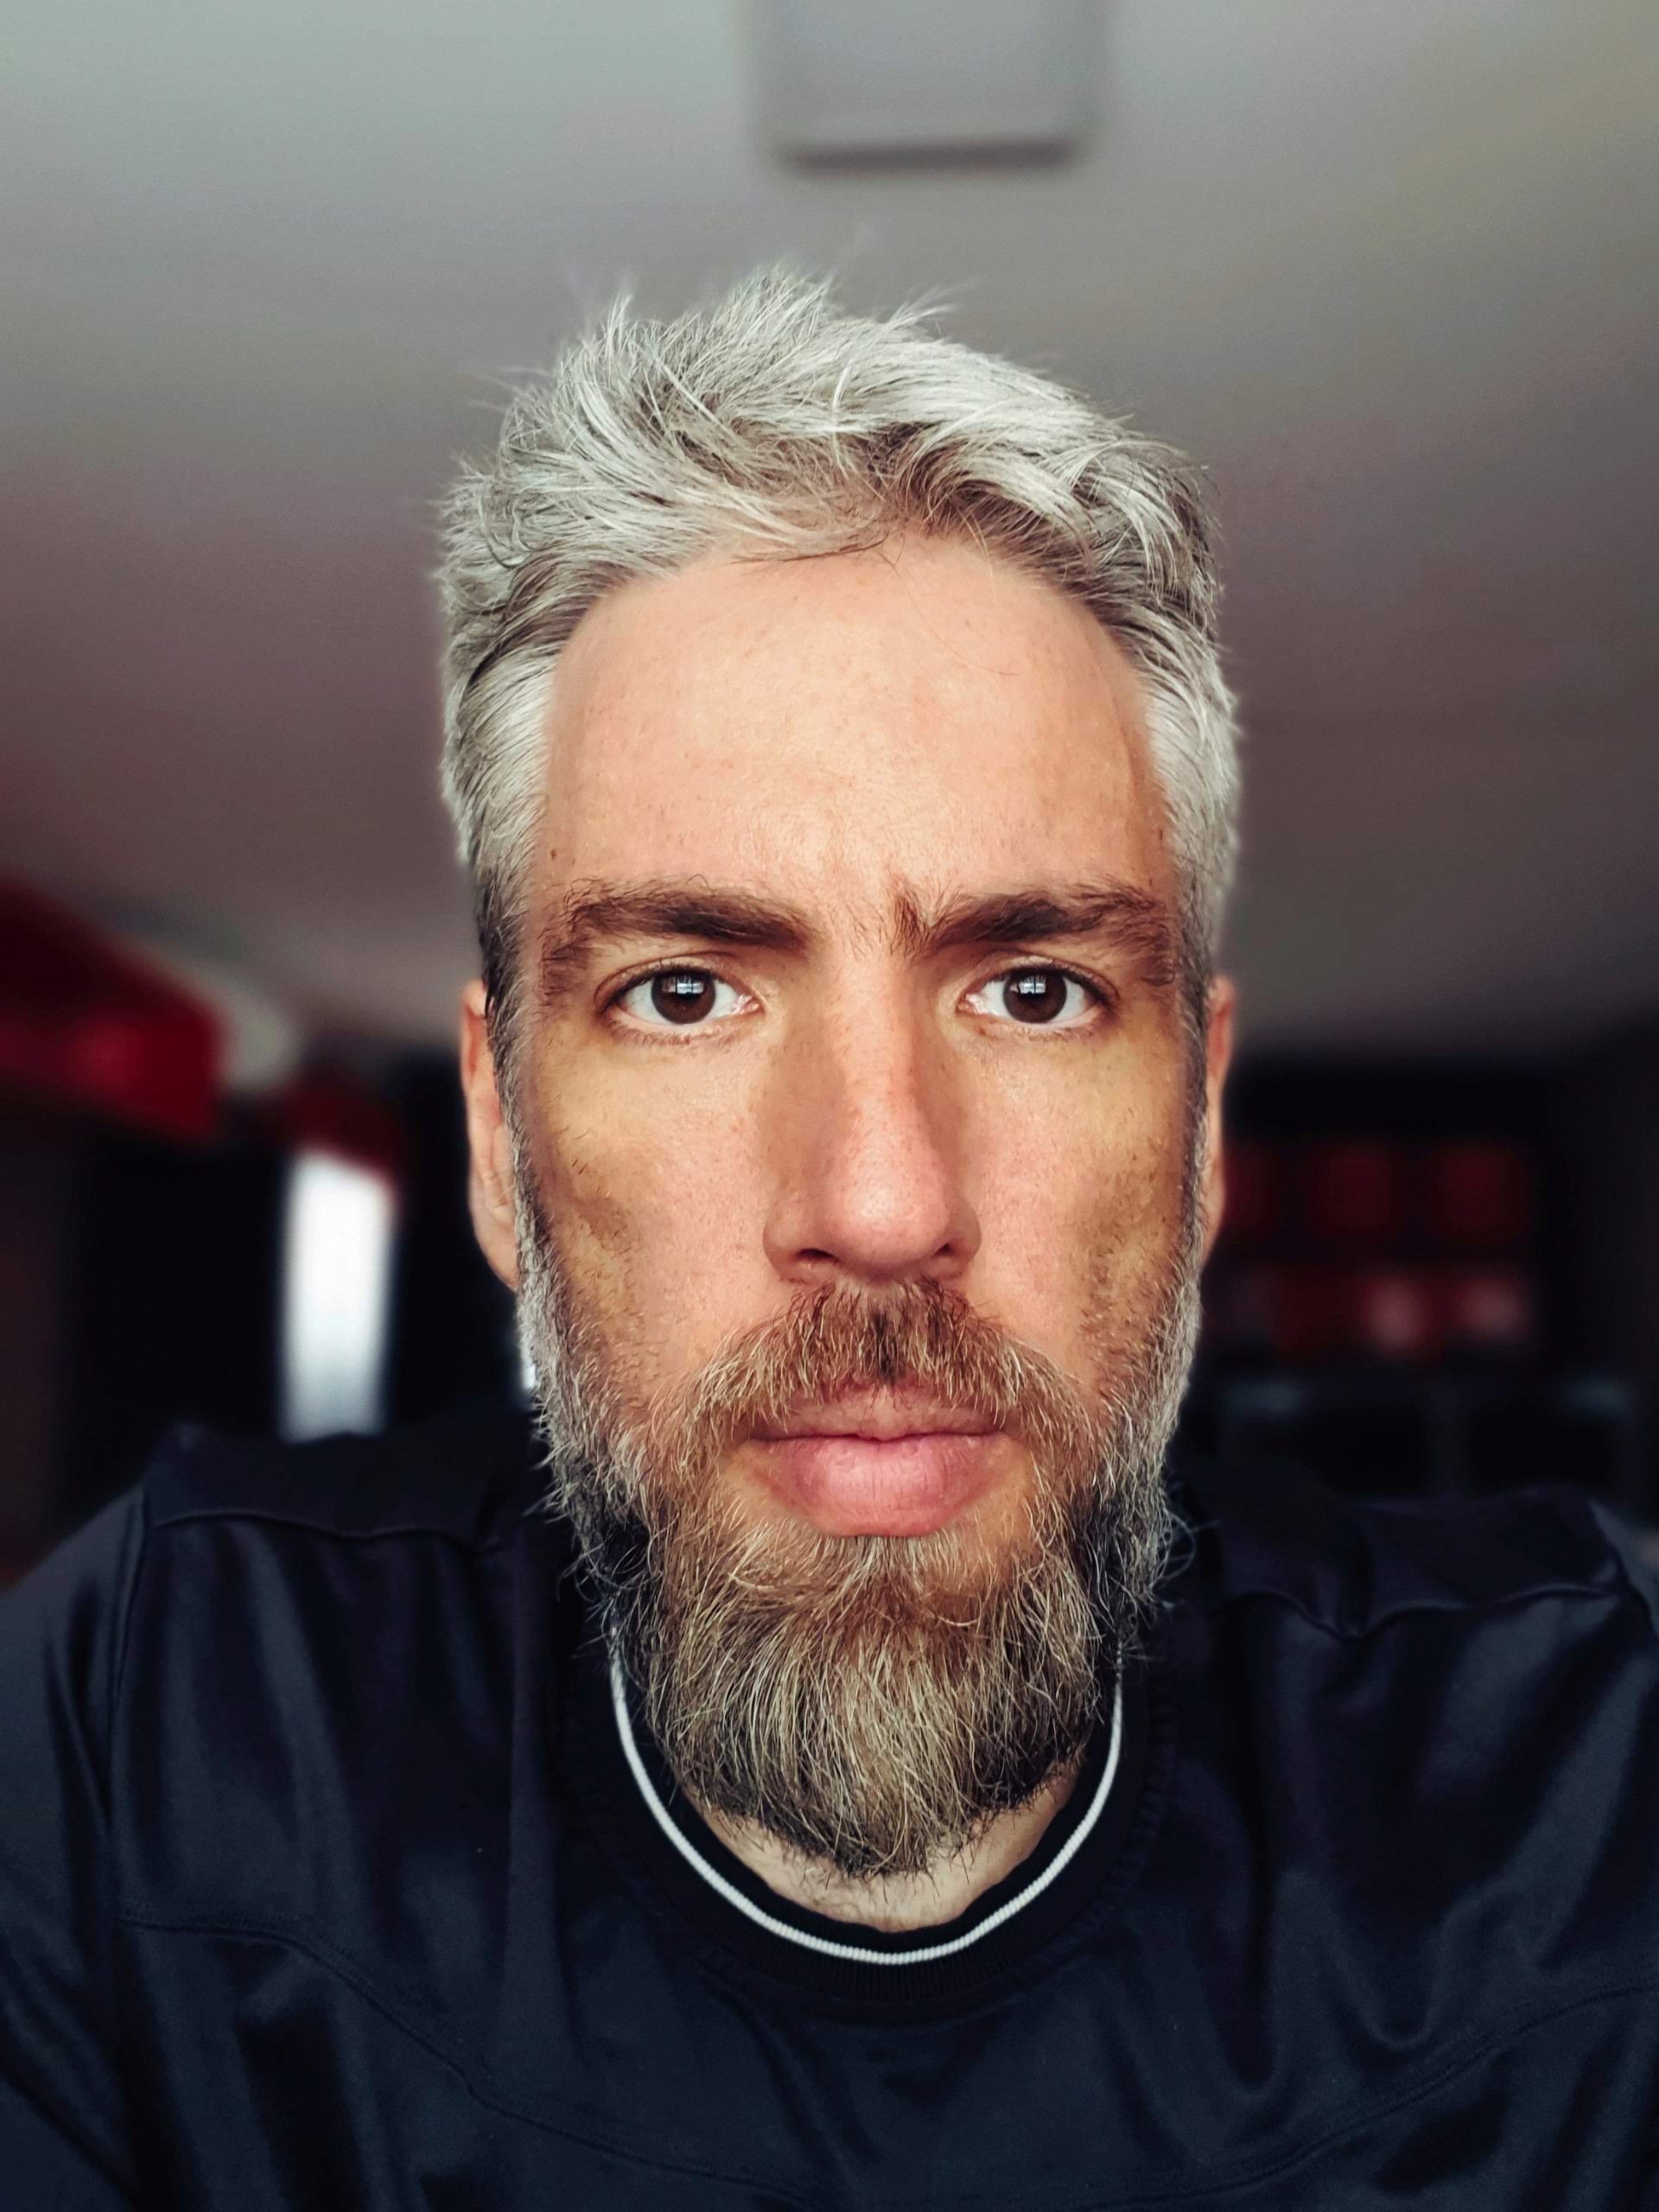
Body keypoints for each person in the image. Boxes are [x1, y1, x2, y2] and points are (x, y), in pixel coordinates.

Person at [3, 270, 1656, 2209]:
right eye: (685, 992)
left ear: (1202, 1132)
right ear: (498, 1136)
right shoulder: (147, 1719)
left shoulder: (1595, 1772)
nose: (881, 1207)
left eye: (1033, 990)